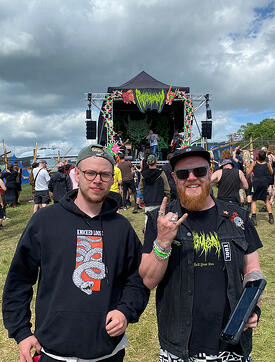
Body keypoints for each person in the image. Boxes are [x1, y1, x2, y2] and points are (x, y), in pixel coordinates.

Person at [2, 144, 149, 362]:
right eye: (90, 173)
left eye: (104, 174)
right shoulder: (45, 221)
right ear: (77, 174)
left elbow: (137, 278)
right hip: (53, 351)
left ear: (112, 178)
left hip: (108, 352)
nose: (97, 180)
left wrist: (125, 311)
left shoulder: (121, 227)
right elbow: (19, 279)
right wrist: (22, 332)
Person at [139, 145, 264, 362]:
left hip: (232, 344)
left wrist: (252, 307)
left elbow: (253, 269)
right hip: (180, 346)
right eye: (182, 174)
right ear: (174, 178)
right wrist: (162, 241)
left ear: (210, 173)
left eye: (199, 171)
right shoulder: (159, 220)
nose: (191, 178)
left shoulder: (237, 217)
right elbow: (148, 280)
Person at [140, 154, 170, 226]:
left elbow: (141, 188)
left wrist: (145, 196)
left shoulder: (143, 175)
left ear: (147, 163)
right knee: (161, 222)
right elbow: (167, 188)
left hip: (148, 202)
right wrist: (167, 199)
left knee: (148, 221)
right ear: (156, 162)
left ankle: (148, 235)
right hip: (160, 201)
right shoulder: (161, 173)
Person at [245, 150, 274, 225]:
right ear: (265, 157)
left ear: (258, 156)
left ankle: (254, 218)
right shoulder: (267, 164)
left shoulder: (254, 163)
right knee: (266, 200)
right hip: (264, 183)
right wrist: (270, 166)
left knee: (254, 200)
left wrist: (247, 165)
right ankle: (271, 217)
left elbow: (248, 172)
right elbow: (271, 173)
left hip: (256, 184)